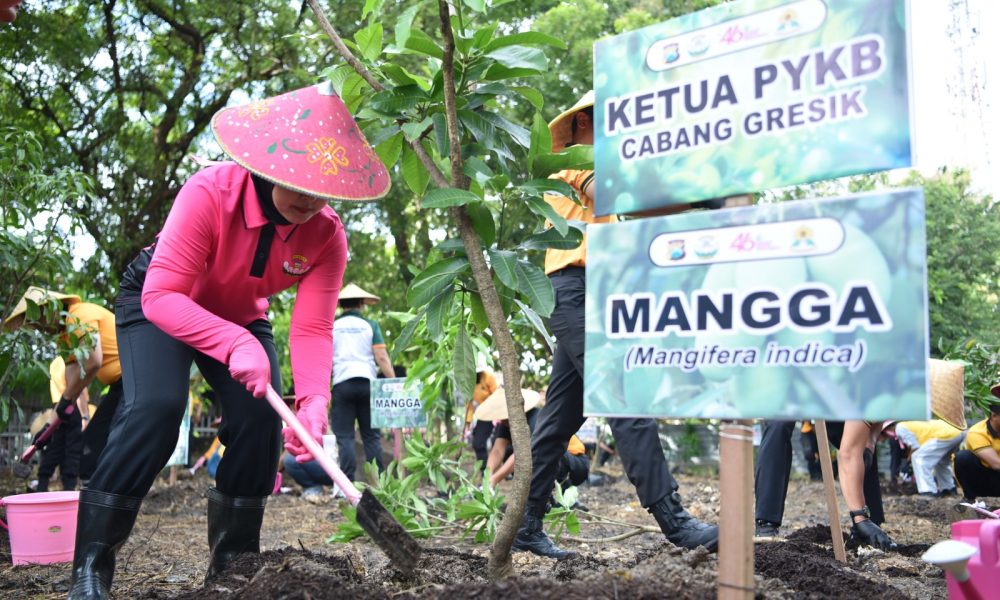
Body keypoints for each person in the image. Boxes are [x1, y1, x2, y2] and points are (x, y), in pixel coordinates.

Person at [65, 83, 390, 600]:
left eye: (322, 188)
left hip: (240, 314)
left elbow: (311, 327)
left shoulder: (327, 235)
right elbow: (162, 296)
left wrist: (313, 401)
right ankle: (91, 565)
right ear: (269, 168)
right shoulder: (211, 191)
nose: (310, 200)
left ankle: (233, 567)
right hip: (161, 300)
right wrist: (233, 344)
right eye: (299, 183)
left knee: (261, 419)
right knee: (156, 408)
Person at [512, 91, 718, 559]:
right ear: (584, 122)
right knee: (623, 393)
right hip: (572, 289)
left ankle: (526, 524)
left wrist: (701, 199)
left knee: (558, 422)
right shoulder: (571, 165)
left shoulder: (599, 176)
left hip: (594, 291)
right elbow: (617, 193)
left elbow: (642, 211)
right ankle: (673, 519)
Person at [4, 286, 124, 488]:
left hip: (136, 381)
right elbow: (71, 380)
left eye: (39, 320)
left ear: (51, 308)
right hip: (118, 388)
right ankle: (94, 501)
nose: (39, 328)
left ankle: (118, 498)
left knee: (116, 442)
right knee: (88, 451)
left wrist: (68, 400)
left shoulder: (79, 316)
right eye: (34, 324)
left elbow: (93, 362)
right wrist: (46, 430)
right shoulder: (65, 338)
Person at [330, 283, 395, 480]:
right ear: (361, 303)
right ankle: (377, 484)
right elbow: (381, 356)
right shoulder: (370, 325)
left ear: (341, 305)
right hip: (367, 384)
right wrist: (393, 382)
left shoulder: (332, 326)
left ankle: (347, 483)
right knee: (371, 436)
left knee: (345, 436)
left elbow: (324, 359)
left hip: (342, 383)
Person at [32, 358, 91, 492]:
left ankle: (42, 486)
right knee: (72, 450)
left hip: (59, 408)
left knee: (55, 446)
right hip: (72, 405)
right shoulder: (71, 359)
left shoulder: (55, 363)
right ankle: (68, 490)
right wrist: (85, 416)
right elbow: (80, 389)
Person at [884, 419, 965, 496]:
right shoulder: (907, 425)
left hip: (945, 434)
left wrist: (908, 464)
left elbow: (915, 448)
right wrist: (909, 464)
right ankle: (948, 489)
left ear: (887, 429)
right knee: (942, 463)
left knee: (919, 458)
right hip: (957, 431)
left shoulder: (899, 428)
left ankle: (928, 491)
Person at [954, 389, 1000, 502]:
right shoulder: (978, 432)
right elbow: (996, 464)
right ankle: (969, 498)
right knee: (963, 457)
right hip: (987, 479)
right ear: (994, 415)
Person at [465, 357, 499, 471]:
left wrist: (497, 415)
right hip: (484, 415)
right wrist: (468, 421)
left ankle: (506, 469)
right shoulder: (469, 384)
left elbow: (497, 396)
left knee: (499, 441)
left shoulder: (489, 377)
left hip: (496, 413)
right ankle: (485, 470)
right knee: (477, 442)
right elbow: (469, 406)